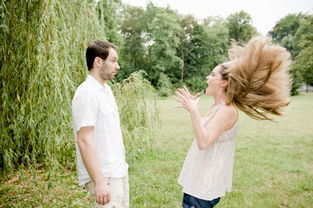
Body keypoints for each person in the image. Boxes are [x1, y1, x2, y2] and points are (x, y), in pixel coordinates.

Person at [175, 36, 291, 208]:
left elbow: (204, 142)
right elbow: (209, 133)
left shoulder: (226, 111)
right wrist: (193, 110)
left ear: (224, 82)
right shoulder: (218, 107)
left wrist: (193, 111)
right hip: (200, 178)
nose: (208, 77)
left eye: (212, 75)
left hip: (204, 184)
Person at [72, 40, 129, 208]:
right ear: (98, 62)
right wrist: (99, 181)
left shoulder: (106, 90)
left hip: (118, 170)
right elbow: (84, 140)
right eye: (113, 60)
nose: (117, 66)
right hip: (105, 175)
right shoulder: (86, 93)